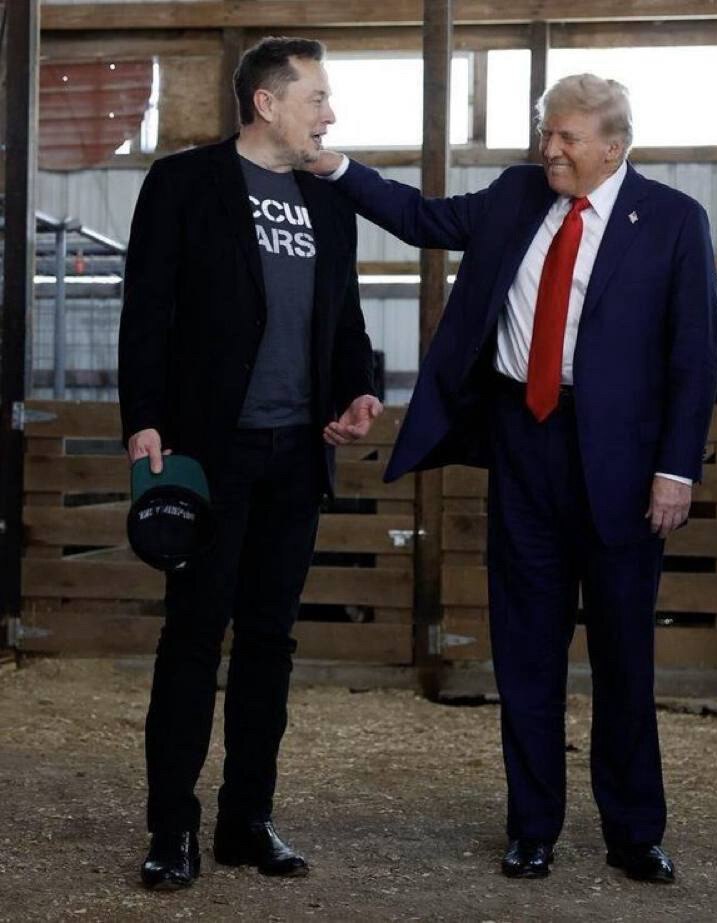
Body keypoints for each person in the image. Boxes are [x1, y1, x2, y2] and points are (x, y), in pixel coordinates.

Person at [308, 74, 717, 882]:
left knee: (623, 655)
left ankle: (634, 831)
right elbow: (423, 218)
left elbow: (692, 354)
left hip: (625, 465)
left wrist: (676, 468)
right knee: (525, 649)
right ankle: (532, 825)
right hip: (523, 446)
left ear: (613, 144)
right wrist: (336, 169)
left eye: (565, 137)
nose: (550, 150)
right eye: (545, 134)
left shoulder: (673, 221)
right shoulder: (514, 194)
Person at [118, 36, 380, 890]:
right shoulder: (184, 184)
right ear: (267, 103)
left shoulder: (327, 200)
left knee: (269, 640)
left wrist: (358, 391)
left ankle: (246, 820)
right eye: (316, 98)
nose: (329, 114)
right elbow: (145, 309)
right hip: (209, 450)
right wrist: (144, 420)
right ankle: (171, 829)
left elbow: (344, 320)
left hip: (296, 454)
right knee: (194, 636)